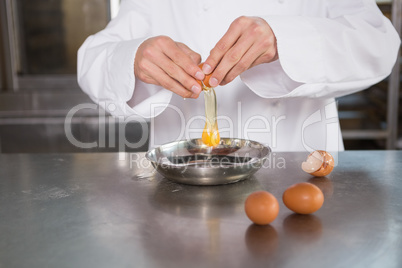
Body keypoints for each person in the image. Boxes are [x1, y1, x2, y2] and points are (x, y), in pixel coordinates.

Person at [77, 0, 400, 152]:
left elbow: (379, 43)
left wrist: (289, 40)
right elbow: (93, 58)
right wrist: (132, 58)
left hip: (298, 168)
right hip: (184, 183)